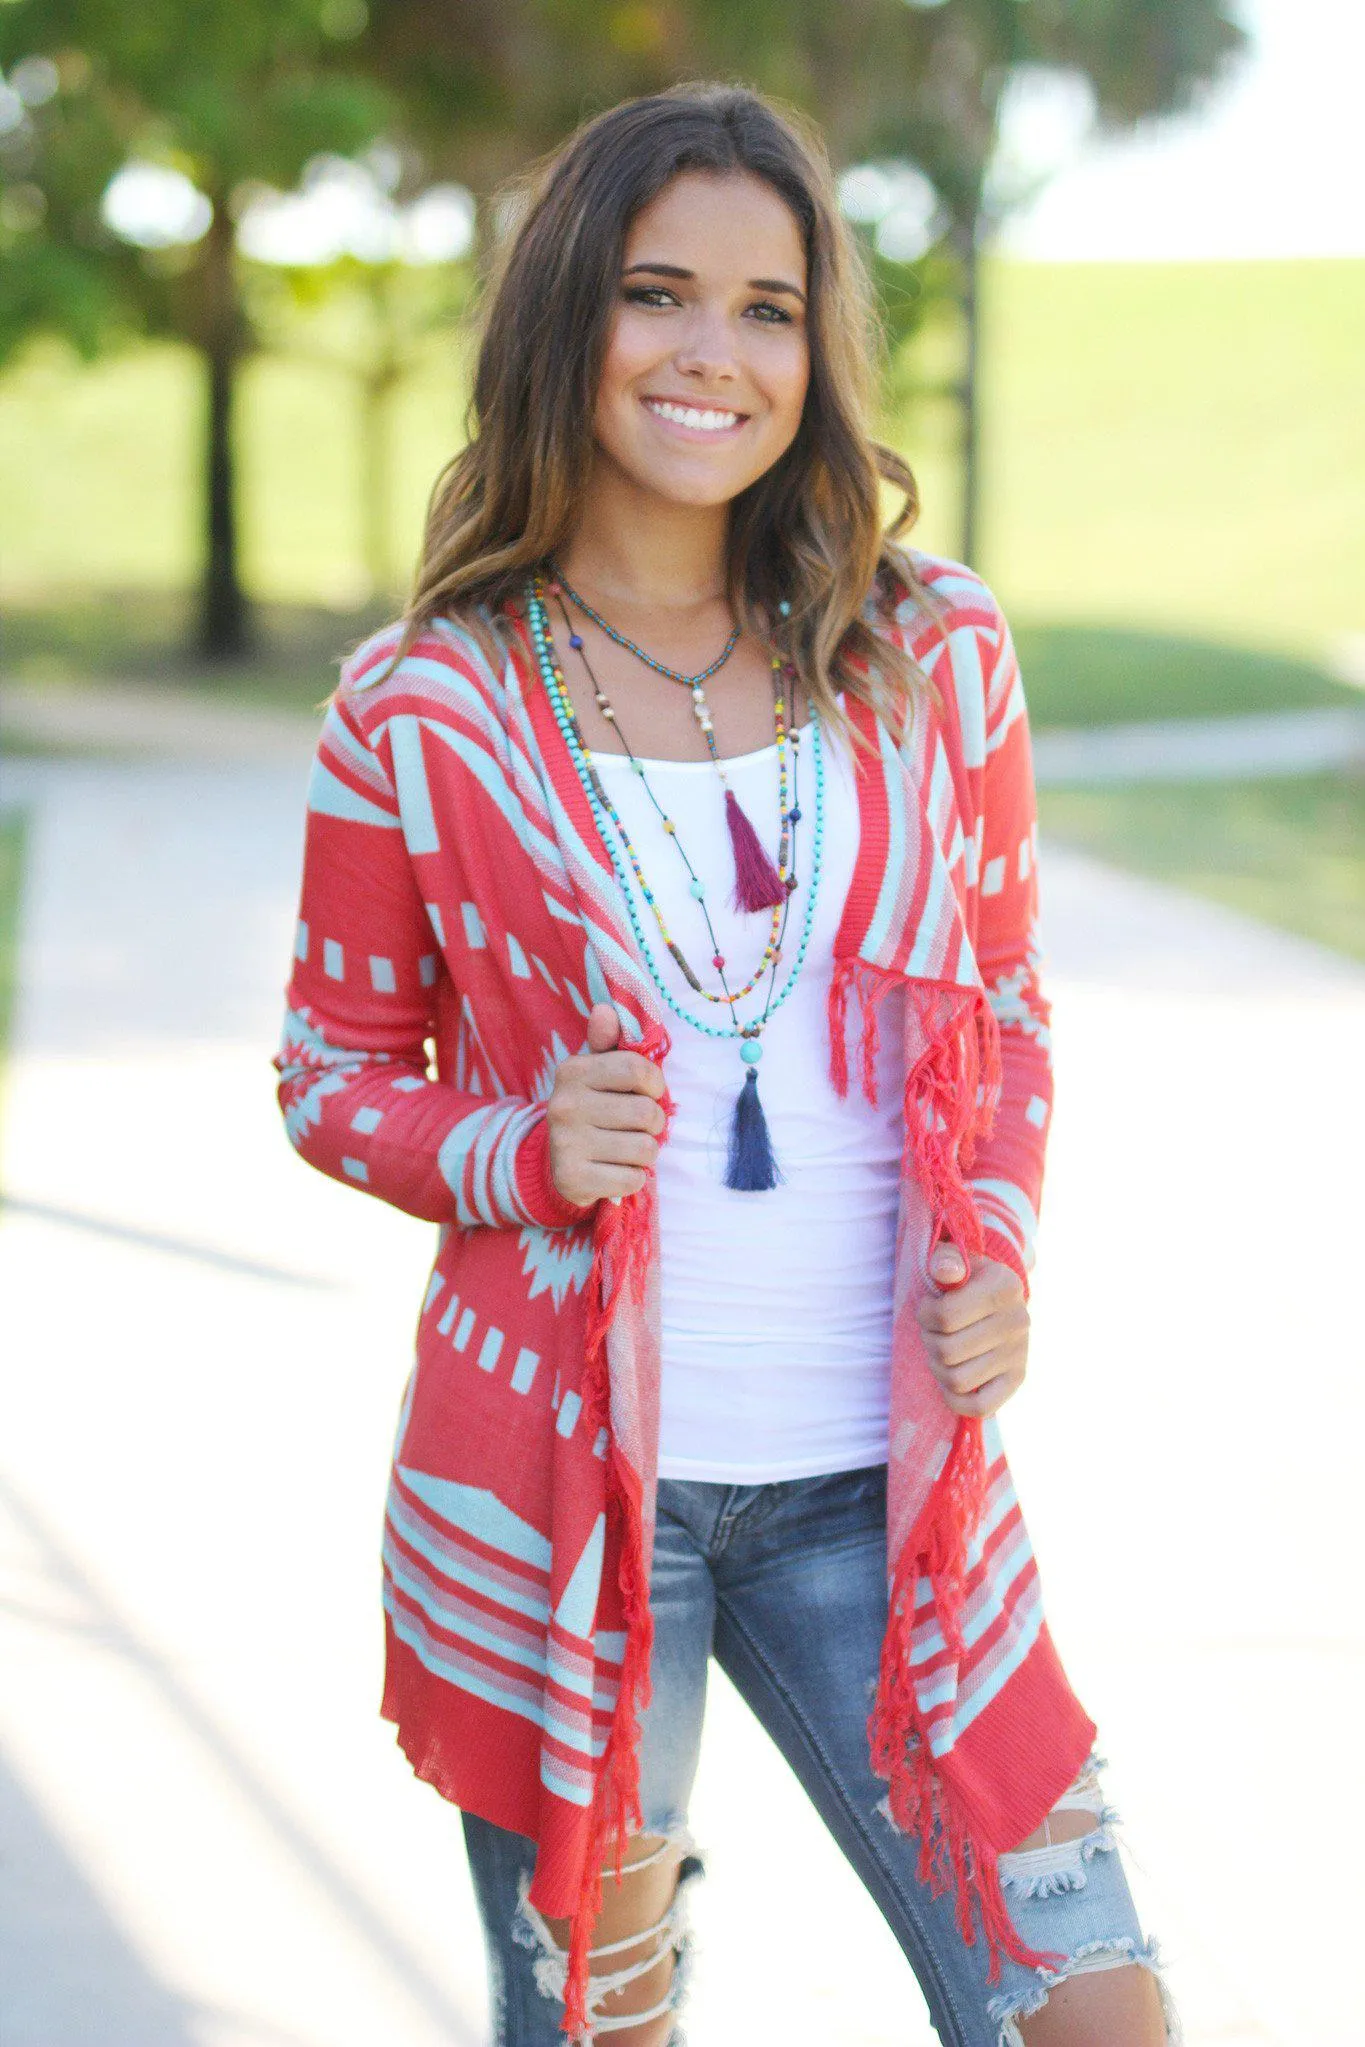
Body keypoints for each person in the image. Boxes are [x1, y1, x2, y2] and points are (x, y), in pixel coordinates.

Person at [275, 83, 1176, 2047]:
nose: (715, 353)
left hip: (887, 1485)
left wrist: (997, 1247)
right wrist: (516, 1144)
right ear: (564, 321)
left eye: (769, 308)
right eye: (656, 293)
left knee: (1086, 2008)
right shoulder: (422, 702)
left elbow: (1000, 999)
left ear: (815, 347)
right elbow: (328, 1073)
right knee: (605, 2029)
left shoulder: (924, 649)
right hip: (571, 1497)